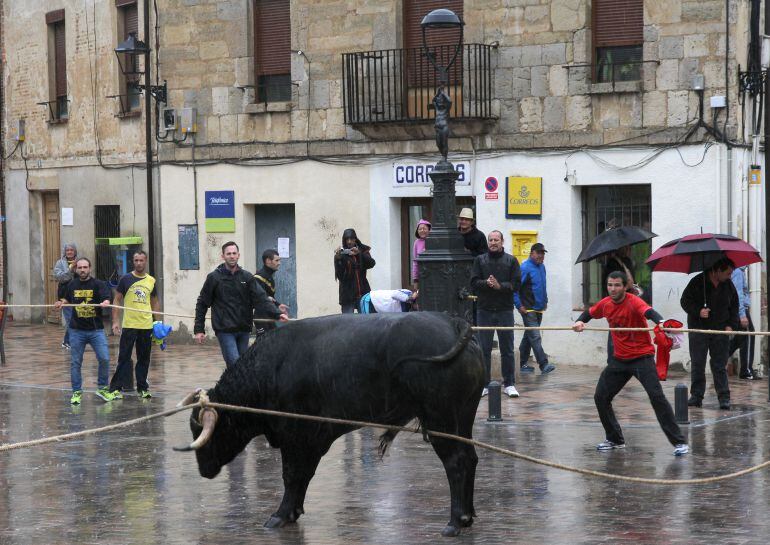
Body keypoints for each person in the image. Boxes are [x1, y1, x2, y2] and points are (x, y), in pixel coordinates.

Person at [573, 271, 689, 456]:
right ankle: (615, 439)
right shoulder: (606, 304)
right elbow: (589, 313)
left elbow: (649, 312)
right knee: (601, 397)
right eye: (610, 285)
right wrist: (579, 322)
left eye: (617, 285)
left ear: (625, 286)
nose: (613, 289)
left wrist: (661, 322)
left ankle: (679, 442)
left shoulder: (634, 301)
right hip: (619, 359)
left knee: (656, 397)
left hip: (641, 357)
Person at [194, 241, 288, 368]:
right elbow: (202, 303)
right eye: (228, 254)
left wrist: (277, 313)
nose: (232, 256)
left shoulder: (247, 277)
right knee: (235, 365)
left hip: (243, 328)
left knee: (243, 366)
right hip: (225, 330)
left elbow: (261, 298)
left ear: (238, 255)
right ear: (223, 256)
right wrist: (199, 329)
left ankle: (233, 387)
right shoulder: (214, 278)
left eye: (234, 253)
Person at [680, 258, 740, 410]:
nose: (730, 276)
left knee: (719, 365)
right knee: (698, 363)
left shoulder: (728, 285)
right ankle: (696, 396)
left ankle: (724, 397)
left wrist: (730, 325)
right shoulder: (697, 281)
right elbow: (685, 301)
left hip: (720, 330)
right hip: (698, 329)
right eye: (727, 273)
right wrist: (698, 311)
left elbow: (734, 307)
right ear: (717, 271)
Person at [54, 257, 114, 405]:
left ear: (90, 268)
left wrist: (106, 302)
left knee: (104, 358)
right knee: (75, 362)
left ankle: (102, 388)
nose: (82, 270)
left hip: (96, 330)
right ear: (76, 269)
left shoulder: (98, 284)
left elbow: (107, 298)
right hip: (76, 331)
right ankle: (76, 392)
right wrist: (62, 303)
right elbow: (67, 299)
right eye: (79, 267)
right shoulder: (72, 285)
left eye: (85, 267)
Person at [471, 230, 521, 398]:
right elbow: (474, 282)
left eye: (496, 240)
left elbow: (516, 284)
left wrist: (501, 287)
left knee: (507, 349)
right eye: (490, 240)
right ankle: (484, 383)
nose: (493, 242)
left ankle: (509, 383)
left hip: (505, 310)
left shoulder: (511, 261)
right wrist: (486, 283)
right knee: (483, 349)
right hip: (484, 310)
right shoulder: (480, 260)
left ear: (502, 241)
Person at [107, 251, 160, 399]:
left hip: (146, 325)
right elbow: (117, 300)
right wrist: (116, 321)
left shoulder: (151, 281)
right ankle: (115, 388)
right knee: (123, 357)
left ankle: (142, 387)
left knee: (144, 358)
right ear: (133, 261)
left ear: (146, 261)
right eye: (136, 260)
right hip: (130, 325)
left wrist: (158, 322)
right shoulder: (126, 279)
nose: (138, 263)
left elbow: (155, 301)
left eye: (141, 260)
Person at [514, 243, 555, 375]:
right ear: (531, 253)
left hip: (538, 309)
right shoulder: (525, 267)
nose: (541, 256)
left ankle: (520, 364)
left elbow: (543, 285)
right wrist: (519, 305)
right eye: (538, 253)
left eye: (542, 253)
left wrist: (546, 300)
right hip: (528, 309)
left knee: (529, 337)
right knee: (535, 336)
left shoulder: (542, 267)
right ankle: (543, 364)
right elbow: (515, 288)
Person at [334, 228, 375, 313]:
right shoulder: (341, 254)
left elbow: (371, 263)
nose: (349, 242)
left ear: (355, 239)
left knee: (366, 320)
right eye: (347, 239)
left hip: (363, 292)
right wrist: (338, 260)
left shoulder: (362, 250)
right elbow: (340, 276)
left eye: (351, 239)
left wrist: (359, 253)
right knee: (348, 322)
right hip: (347, 295)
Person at [728, 266, 758, 380]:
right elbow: (737, 294)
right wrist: (742, 315)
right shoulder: (738, 272)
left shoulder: (737, 271)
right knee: (750, 335)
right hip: (741, 310)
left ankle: (719, 359)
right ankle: (746, 370)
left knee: (740, 338)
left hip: (738, 309)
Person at [254, 249, 290, 335]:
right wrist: (277, 313)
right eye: (276, 260)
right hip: (262, 317)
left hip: (269, 315)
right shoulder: (258, 277)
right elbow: (262, 299)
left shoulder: (269, 277)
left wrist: (278, 305)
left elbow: (269, 297)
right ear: (268, 261)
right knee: (262, 343)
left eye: (279, 260)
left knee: (273, 340)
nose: (279, 263)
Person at [53, 242, 78, 349]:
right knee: (70, 319)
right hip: (65, 296)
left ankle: (66, 340)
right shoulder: (60, 263)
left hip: (78, 295)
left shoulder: (80, 262)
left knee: (76, 319)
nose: (69, 252)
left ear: (75, 251)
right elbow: (60, 278)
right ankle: (69, 342)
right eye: (67, 250)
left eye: (71, 250)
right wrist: (70, 270)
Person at [411, 219, 431, 289]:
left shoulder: (433, 240)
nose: (422, 230)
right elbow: (415, 262)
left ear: (429, 230)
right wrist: (415, 279)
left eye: (424, 228)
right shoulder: (417, 242)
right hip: (422, 274)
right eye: (420, 229)